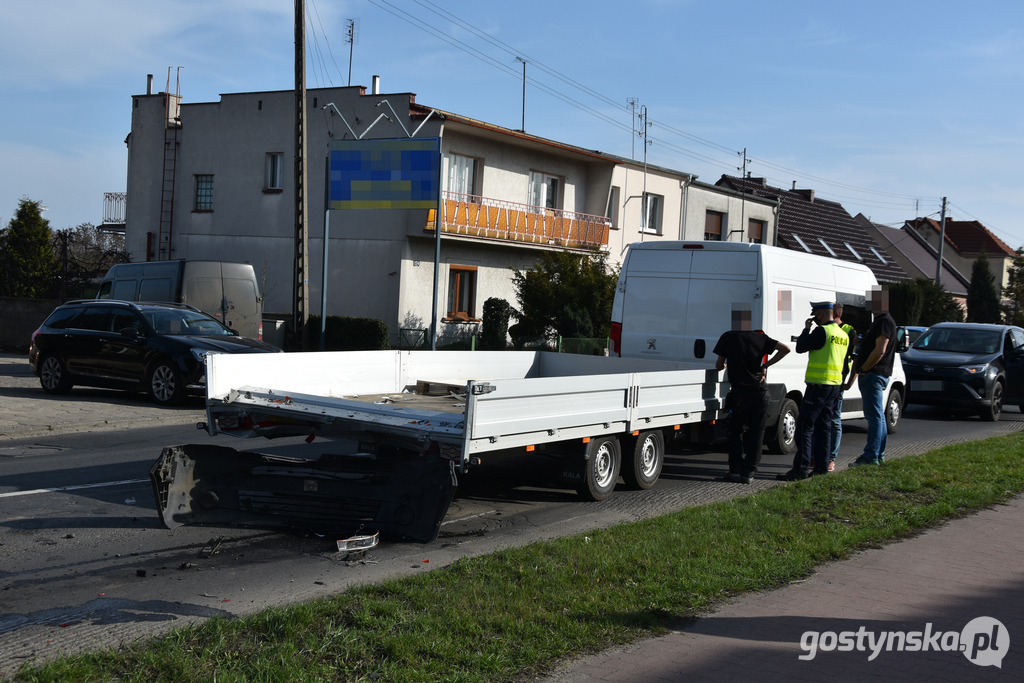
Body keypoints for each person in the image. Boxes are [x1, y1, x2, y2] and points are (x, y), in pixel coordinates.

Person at [714, 306, 791, 483]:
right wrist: (766, 365)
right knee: (757, 432)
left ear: (735, 321)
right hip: (761, 393)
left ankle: (735, 471)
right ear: (748, 322)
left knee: (735, 432)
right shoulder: (761, 338)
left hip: (740, 394)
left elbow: (719, 364)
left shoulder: (728, 337)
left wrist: (725, 367)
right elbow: (785, 349)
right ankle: (749, 473)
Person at [777, 301, 849, 481]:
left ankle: (800, 470)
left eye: (815, 315)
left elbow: (800, 347)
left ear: (821, 315)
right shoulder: (842, 334)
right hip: (834, 386)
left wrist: (805, 330)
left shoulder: (822, 331)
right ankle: (822, 468)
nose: (813, 318)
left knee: (804, 427)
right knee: (824, 428)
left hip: (818, 385)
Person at [849, 287, 898, 467]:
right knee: (878, 415)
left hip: (873, 374)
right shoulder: (882, 322)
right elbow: (876, 346)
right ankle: (878, 454)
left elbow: (880, 350)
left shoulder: (883, 321)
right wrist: (863, 342)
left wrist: (864, 368)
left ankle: (870, 456)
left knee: (874, 416)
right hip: (876, 373)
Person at [828, 303, 858, 471]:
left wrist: (849, 382)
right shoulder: (825, 329)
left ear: (837, 314)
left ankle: (831, 458)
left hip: (838, 381)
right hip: (824, 381)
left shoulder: (849, 331)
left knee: (834, 420)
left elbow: (856, 359)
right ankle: (818, 456)